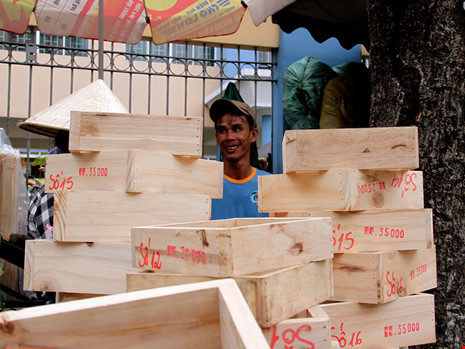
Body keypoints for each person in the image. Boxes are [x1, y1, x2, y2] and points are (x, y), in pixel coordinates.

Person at [209, 98, 270, 220]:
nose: (229, 137)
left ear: (253, 135)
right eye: (222, 130)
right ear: (217, 137)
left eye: (237, 129)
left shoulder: (270, 185)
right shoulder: (204, 186)